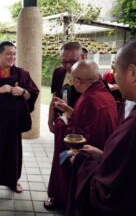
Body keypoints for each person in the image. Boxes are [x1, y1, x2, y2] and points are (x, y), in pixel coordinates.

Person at [66, 39, 136, 216]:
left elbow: (109, 193)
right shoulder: (103, 94)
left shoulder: (132, 127)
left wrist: (82, 161)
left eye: (115, 70)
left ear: (133, 73)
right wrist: (105, 156)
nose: (114, 76)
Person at [44, 60, 118, 210]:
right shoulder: (103, 92)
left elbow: (77, 136)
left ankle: (61, 196)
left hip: (88, 152)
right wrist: (70, 110)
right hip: (104, 147)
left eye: (72, 79)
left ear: (77, 81)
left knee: (62, 158)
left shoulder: (89, 99)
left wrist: (61, 123)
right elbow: (86, 120)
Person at [0, 41, 39, 200]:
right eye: (8, 53)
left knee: (12, 154)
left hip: (13, 122)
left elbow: (33, 93)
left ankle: (12, 180)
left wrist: (23, 91)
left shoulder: (22, 74)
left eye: (14, 53)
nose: (12, 57)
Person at [45, 41, 83, 208]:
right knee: (59, 159)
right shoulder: (59, 73)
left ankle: (72, 199)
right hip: (62, 125)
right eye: (64, 61)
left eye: (72, 61)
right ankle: (56, 194)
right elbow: (54, 96)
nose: (68, 65)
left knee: (73, 161)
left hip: (79, 129)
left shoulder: (89, 75)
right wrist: (49, 119)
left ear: (82, 57)